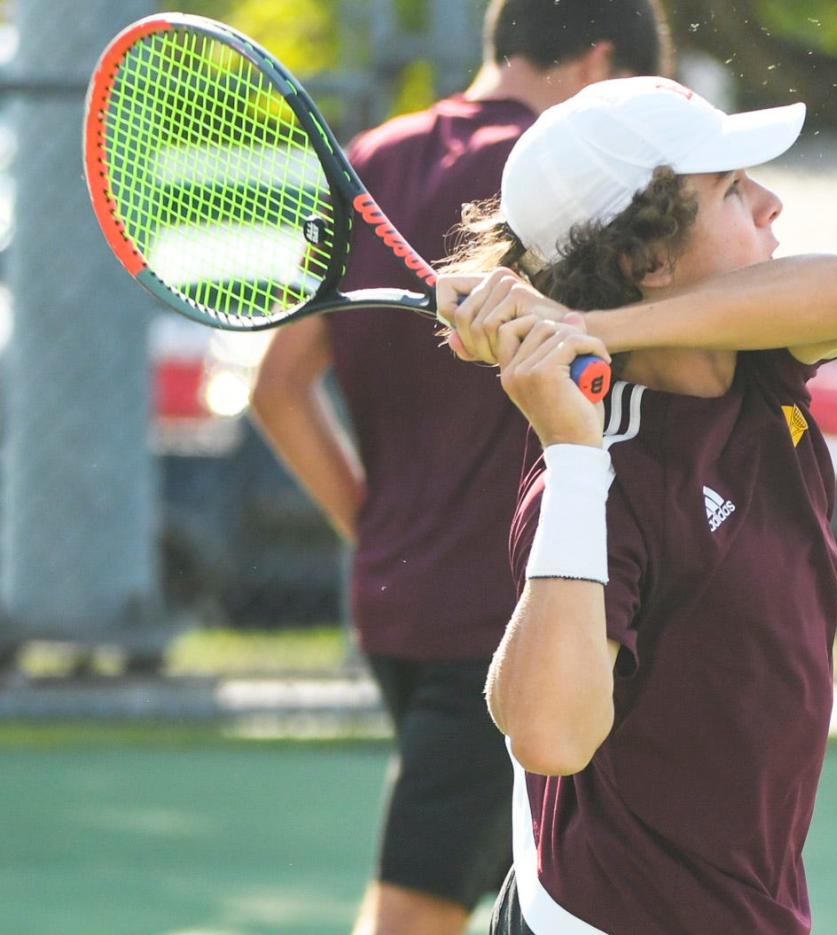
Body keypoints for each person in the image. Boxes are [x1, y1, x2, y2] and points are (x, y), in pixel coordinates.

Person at [249, 4, 673, 934]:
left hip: (397, 612)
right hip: (511, 619)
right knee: (415, 914)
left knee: (536, 891)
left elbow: (279, 389)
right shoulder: (585, 180)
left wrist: (380, 536)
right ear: (601, 61)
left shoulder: (372, 159)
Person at [437, 77, 837, 933]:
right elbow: (549, 735)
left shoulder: (754, 367)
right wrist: (573, 458)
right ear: (646, 261)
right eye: (729, 190)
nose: (770, 202)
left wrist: (591, 323)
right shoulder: (607, 470)